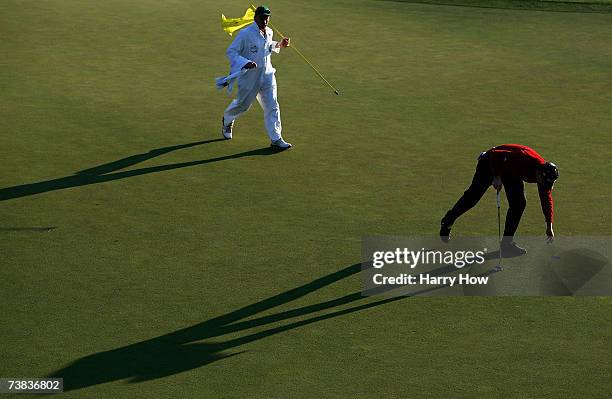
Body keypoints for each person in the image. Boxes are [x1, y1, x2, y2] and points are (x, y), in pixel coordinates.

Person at [440, 144, 559, 255]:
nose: (544, 185)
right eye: (543, 182)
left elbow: (546, 199)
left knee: (518, 204)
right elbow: (494, 153)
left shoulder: (544, 177)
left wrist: (549, 225)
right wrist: (496, 176)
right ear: (539, 174)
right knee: (473, 196)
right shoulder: (525, 159)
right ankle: (448, 221)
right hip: (491, 162)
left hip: (510, 171)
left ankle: (506, 244)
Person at [221, 5, 292, 150]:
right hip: (250, 77)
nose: (265, 20)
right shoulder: (245, 34)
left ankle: (276, 139)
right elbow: (232, 52)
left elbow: (267, 47)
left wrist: (279, 44)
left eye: (267, 17)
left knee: (272, 105)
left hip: (267, 75)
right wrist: (245, 63)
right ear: (256, 18)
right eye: (263, 17)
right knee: (243, 105)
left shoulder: (270, 32)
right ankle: (227, 119)